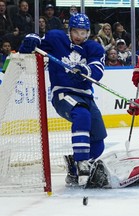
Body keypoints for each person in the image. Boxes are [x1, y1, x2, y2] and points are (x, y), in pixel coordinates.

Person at [18, 13, 107, 186]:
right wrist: (29, 41)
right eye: (76, 32)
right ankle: (81, 163)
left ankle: (73, 169)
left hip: (86, 95)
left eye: (83, 33)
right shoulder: (56, 38)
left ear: (88, 33)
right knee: (82, 115)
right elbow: (32, 49)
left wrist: (85, 71)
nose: (79, 37)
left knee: (98, 143)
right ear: (69, 30)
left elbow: (97, 69)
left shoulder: (93, 48)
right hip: (63, 93)